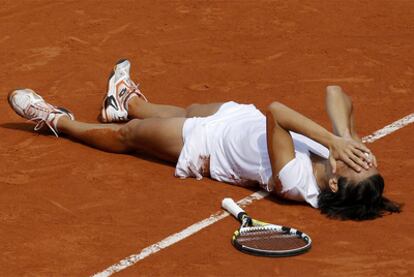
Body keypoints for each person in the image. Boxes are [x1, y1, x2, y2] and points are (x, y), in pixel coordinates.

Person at [7, 59, 400, 220]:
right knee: (186, 108)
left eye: (356, 165)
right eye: (365, 159)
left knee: (128, 136)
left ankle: (55, 120)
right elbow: (335, 91)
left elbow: (278, 112)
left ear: (334, 181)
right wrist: (346, 135)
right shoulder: (343, 157)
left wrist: (333, 141)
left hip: (206, 149)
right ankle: (124, 101)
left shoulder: (296, 182)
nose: (360, 158)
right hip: (234, 119)